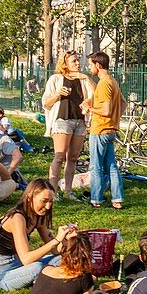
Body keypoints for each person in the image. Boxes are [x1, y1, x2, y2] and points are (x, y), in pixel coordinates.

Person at [0, 179, 72, 290]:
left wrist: (66, 239)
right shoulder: (17, 217)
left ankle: (49, 278)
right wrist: (56, 240)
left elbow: (56, 250)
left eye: (51, 201)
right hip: (1, 274)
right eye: (44, 201)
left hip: (22, 266)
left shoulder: (38, 216)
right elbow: (26, 259)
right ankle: (52, 280)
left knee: (63, 258)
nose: (48, 206)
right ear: (30, 197)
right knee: (37, 267)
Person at [42, 52, 95, 198]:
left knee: (72, 158)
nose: (78, 63)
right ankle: (52, 192)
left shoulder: (82, 80)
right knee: (59, 157)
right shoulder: (56, 79)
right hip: (62, 120)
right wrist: (58, 94)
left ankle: (68, 191)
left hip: (80, 121)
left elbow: (95, 95)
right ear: (65, 63)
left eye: (78, 60)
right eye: (74, 61)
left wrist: (88, 78)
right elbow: (46, 103)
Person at [80, 51, 124, 210]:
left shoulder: (104, 83)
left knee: (96, 166)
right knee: (111, 166)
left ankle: (96, 198)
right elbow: (123, 104)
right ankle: (117, 199)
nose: (88, 67)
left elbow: (105, 110)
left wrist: (90, 108)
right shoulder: (112, 81)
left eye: (91, 64)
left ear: (98, 65)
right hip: (110, 130)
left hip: (100, 130)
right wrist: (114, 118)